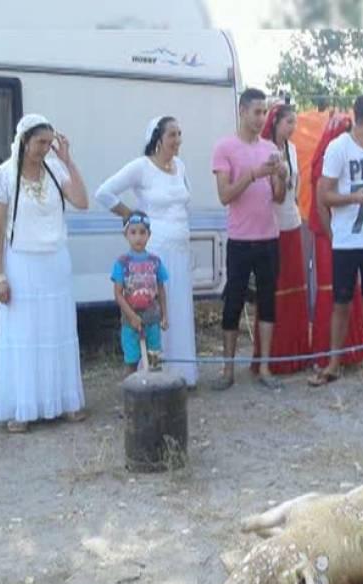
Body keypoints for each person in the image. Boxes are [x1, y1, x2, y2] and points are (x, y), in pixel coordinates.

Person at [0, 114, 89, 433]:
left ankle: (63, 401)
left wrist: (68, 160)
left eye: (49, 143)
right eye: (40, 142)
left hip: (55, 262)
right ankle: (23, 406)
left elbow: (82, 202)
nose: (45, 148)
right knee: (24, 335)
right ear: (24, 139)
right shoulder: (3, 175)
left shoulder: (55, 170)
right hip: (22, 264)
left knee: (56, 332)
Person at [95, 115, 197, 387]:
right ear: (158, 139)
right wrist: (133, 217)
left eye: (179, 134)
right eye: (173, 134)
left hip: (180, 248)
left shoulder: (181, 166)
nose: (178, 140)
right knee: (154, 309)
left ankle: (181, 373)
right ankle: (152, 375)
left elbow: (184, 204)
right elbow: (104, 193)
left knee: (176, 309)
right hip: (155, 251)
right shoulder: (141, 167)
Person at [310, 92, 363, 390]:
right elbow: (324, 195)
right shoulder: (338, 148)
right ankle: (333, 363)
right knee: (341, 303)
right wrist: (352, 198)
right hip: (346, 241)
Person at [211, 88, 287, 391]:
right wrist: (253, 174)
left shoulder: (270, 147)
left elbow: (278, 198)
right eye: (257, 112)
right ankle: (227, 370)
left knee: (268, 304)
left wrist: (280, 175)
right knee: (233, 303)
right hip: (241, 240)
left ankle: (264, 366)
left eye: (265, 112)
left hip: (269, 237)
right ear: (242, 111)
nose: (261, 118)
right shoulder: (225, 147)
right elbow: (225, 195)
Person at [307, 112, 363, 371]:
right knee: (332, 293)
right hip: (330, 236)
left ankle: (352, 350)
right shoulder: (324, 162)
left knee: (349, 291)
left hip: (349, 234)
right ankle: (327, 354)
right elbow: (322, 204)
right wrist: (334, 238)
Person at [250, 102, 311, 375]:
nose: (293, 127)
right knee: (274, 288)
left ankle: (296, 352)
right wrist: (280, 178)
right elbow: (270, 193)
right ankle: (272, 355)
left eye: (295, 123)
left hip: (292, 220)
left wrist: (292, 189)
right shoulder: (264, 151)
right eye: (289, 122)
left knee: (296, 284)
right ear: (275, 123)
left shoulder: (293, 150)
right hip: (271, 224)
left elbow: (294, 187)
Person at [110, 211, 168, 373]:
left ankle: (154, 393)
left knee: (154, 361)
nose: (138, 237)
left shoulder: (155, 261)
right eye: (133, 232)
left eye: (143, 232)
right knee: (131, 361)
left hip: (152, 320)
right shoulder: (122, 263)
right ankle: (132, 394)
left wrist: (164, 315)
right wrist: (132, 316)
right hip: (130, 323)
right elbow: (118, 294)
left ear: (149, 235)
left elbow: (161, 289)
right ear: (126, 235)